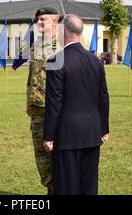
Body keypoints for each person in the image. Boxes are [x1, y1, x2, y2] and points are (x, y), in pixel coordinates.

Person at [43, 14, 110, 195]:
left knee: (66, 187)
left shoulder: (56, 61)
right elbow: (103, 96)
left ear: (63, 31)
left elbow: (54, 101)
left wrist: (48, 136)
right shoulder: (96, 61)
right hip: (92, 133)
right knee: (89, 186)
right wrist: (104, 129)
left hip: (67, 135)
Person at [26, 6, 60, 195]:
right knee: (40, 152)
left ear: (54, 21)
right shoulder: (36, 46)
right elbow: (32, 76)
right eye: (38, 19)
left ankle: (59, 187)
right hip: (37, 107)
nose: (39, 22)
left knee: (56, 150)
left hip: (55, 108)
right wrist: (29, 102)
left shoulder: (63, 45)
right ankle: (50, 187)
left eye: (43, 19)